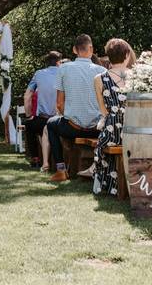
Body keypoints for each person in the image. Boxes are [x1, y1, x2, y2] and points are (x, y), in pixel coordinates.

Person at [46, 34, 105, 182]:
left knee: (51, 124)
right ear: (91, 48)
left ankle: (61, 169)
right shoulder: (101, 71)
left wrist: (70, 115)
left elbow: (59, 104)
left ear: (74, 50)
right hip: (96, 129)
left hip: (72, 127)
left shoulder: (64, 68)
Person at [92, 38, 132, 196]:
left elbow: (103, 110)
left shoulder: (99, 79)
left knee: (100, 148)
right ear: (127, 54)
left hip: (112, 128)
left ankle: (106, 184)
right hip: (133, 127)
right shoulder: (137, 76)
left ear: (108, 56)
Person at [23, 51, 61, 169]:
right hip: (59, 119)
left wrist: (29, 114)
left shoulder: (39, 74)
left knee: (29, 125)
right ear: (59, 62)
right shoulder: (64, 73)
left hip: (42, 119)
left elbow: (27, 96)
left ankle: (35, 158)